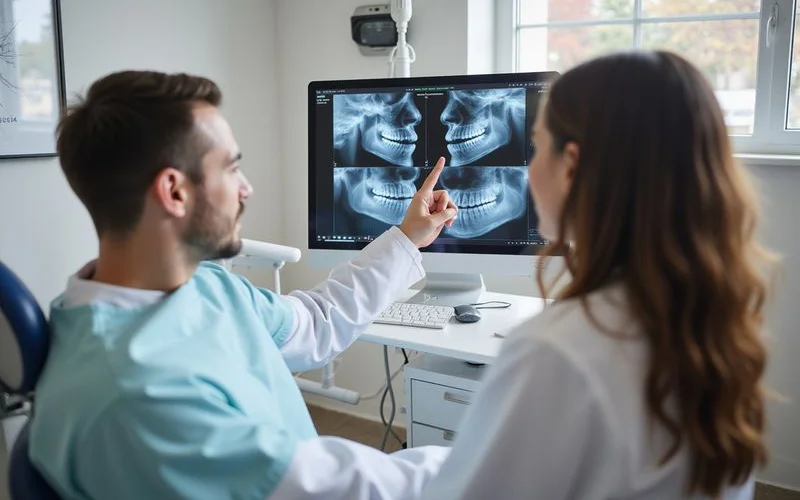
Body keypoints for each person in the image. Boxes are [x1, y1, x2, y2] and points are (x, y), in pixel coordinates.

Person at [29, 70, 458, 499]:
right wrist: (489, 454)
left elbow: (316, 322)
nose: (247, 188)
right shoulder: (137, 396)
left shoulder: (201, 284)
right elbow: (337, 491)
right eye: (232, 168)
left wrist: (406, 238)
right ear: (174, 192)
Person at [419, 50, 775, 499]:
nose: (530, 169)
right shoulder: (717, 324)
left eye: (537, 145)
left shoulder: (556, 350)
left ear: (571, 165)